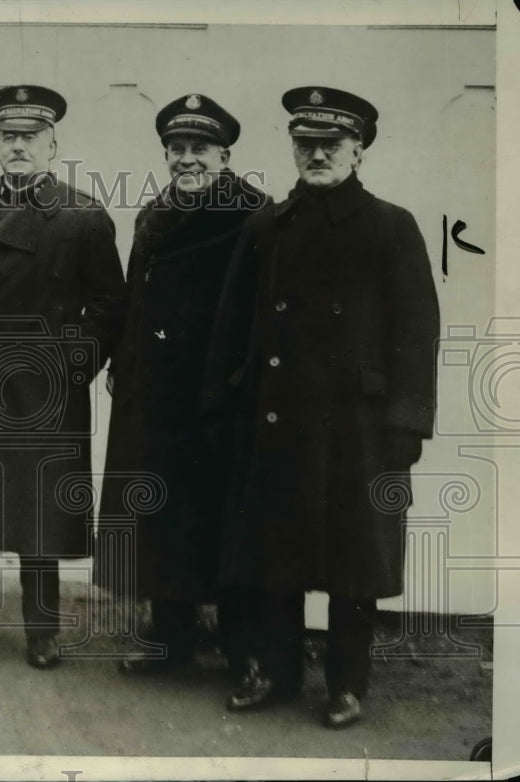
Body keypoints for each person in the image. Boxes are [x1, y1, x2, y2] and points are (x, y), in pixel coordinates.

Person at [201, 86, 440, 727]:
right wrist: (221, 404)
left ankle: (347, 685)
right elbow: (231, 325)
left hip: (355, 428)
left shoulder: (391, 225)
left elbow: (417, 331)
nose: (316, 155)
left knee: (352, 563)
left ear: (357, 149)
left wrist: (408, 421)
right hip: (275, 419)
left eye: (330, 145)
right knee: (274, 554)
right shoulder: (267, 225)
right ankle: (278, 676)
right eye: (305, 144)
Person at [0, 85, 127, 668]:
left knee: (40, 512)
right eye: (8, 137)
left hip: (45, 386)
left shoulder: (82, 215)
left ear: (52, 145)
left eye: (29, 138)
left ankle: (42, 632)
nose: (17, 147)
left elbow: (111, 304)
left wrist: (73, 364)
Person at [100, 94, 267, 674]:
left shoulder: (252, 214)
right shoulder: (153, 214)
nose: (187, 160)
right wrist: (122, 364)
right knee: (160, 519)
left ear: (225, 155)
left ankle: (245, 651)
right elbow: (134, 298)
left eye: (200, 149)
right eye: (178, 149)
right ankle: (170, 642)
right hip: (154, 394)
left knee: (224, 519)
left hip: (215, 396)